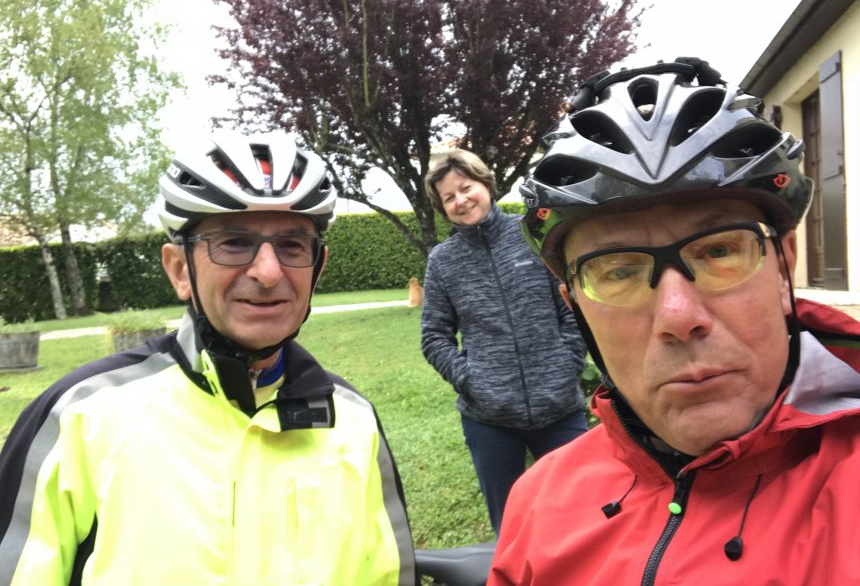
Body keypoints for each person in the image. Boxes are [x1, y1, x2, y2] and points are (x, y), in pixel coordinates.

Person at [488, 58, 860, 584]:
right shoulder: (536, 503)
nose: (678, 317)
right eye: (618, 271)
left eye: (719, 251)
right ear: (576, 308)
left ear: (784, 269)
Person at [0, 131, 416, 585]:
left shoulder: (354, 421)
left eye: (292, 246)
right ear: (180, 270)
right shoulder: (79, 417)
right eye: (233, 243)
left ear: (317, 270)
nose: (268, 272)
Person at [421, 149, 590, 535]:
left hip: (560, 409)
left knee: (580, 519)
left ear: (486, 184)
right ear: (442, 208)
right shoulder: (443, 262)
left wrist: (567, 366)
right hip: (489, 421)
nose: (461, 200)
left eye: (466, 188)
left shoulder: (532, 236)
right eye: (449, 197)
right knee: (512, 529)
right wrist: (472, 380)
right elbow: (434, 336)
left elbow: (572, 308)